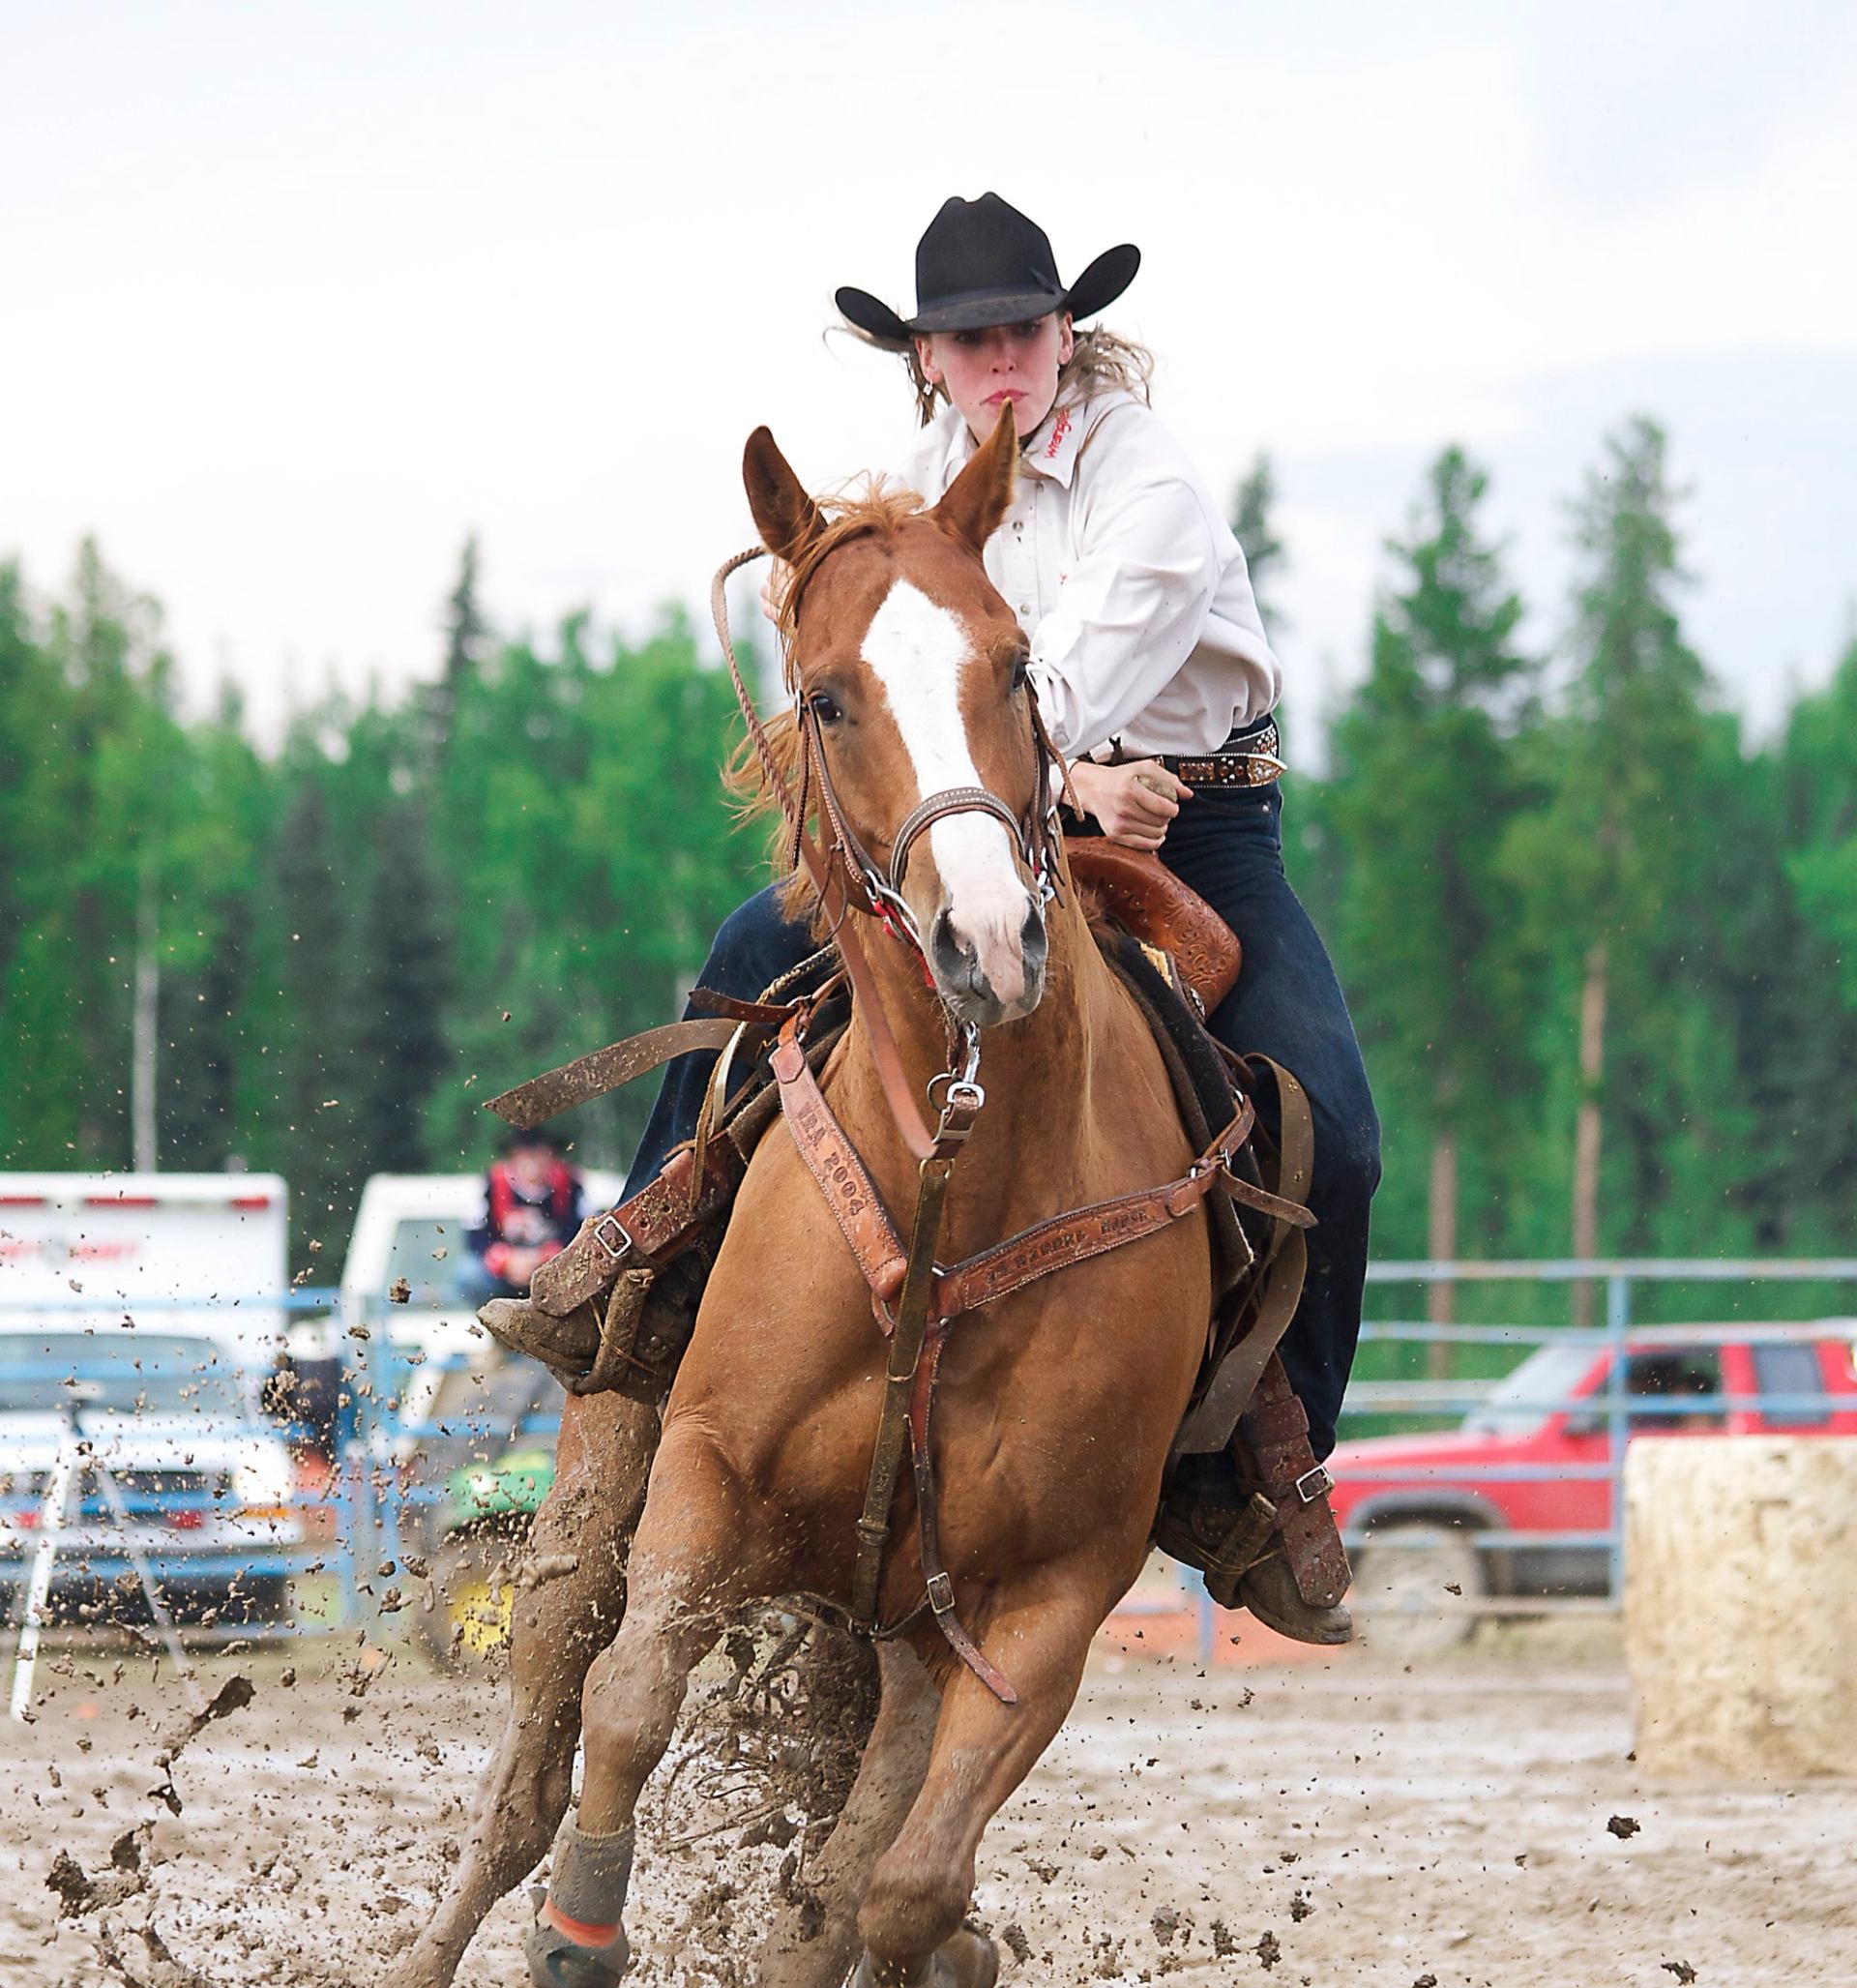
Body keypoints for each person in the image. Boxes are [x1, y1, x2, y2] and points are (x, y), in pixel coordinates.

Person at [495, 195, 1380, 1639]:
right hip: (980, 815)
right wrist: (1036, 779)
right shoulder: (908, 491)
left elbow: (1076, 665)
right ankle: (644, 1268)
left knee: (1332, 1129)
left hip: (1190, 822)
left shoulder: (1145, 480)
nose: (1002, 362)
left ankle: (1265, 1468)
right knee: (743, 957)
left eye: (1024, 331)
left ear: (1065, 334)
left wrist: (1071, 770)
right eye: (971, 341)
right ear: (925, 357)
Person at [467, 1129, 584, 1300]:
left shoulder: (570, 1183)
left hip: (556, 1266)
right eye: (526, 1153)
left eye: (540, 1153)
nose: (533, 1161)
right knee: (469, 1275)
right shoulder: (492, 1183)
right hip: (505, 1269)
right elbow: (475, 1235)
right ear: (514, 1155)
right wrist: (506, 1260)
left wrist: (544, 1257)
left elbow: (581, 1228)